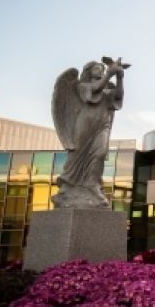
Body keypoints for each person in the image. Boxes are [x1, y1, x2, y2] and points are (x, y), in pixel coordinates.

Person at [51, 57, 128, 209]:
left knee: (100, 153)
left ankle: (93, 185)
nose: (101, 70)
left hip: (102, 126)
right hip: (85, 124)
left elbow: (118, 97)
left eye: (102, 68)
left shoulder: (107, 89)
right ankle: (68, 187)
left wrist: (120, 78)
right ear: (89, 72)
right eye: (97, 68)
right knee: (78, 153)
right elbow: (95, 90)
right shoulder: (82, 86)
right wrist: (109, 75)